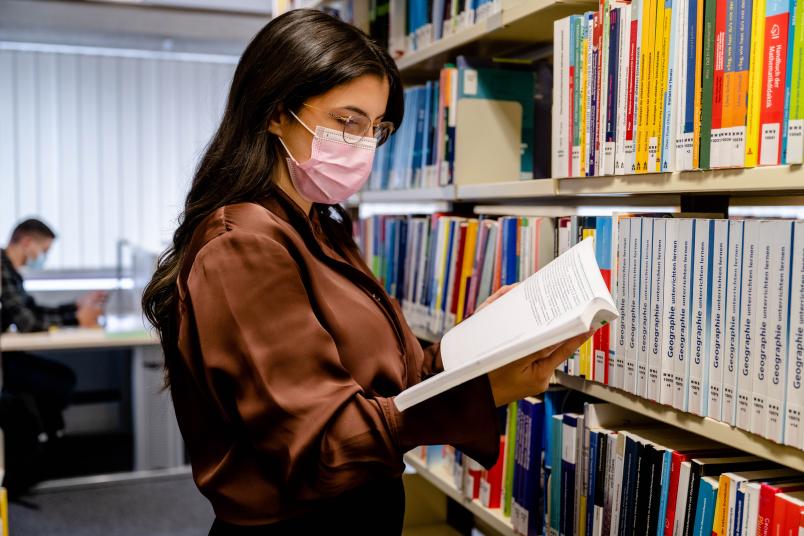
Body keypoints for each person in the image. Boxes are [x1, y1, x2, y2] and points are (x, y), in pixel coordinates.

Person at [142, 10, 594, 535]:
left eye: (375, 128)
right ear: (275, 112)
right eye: (347, 121)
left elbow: (382, 383)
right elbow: (321, 443)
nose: (361, 145)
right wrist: (481, 392)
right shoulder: (244, 245)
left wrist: (478, 343)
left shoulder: (319, 228)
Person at [1, 218, 106, 440]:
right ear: (27, 242)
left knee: (61, 377)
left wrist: (75, 308)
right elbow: (28, 323)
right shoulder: (2, 269)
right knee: (60, 381)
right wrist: (77, 319)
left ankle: (47, 436)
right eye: (44, 250)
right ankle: (44, 440)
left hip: (8, 356)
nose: (44, 258)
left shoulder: (9, 271)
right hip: (4, 362)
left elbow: (32, 311)